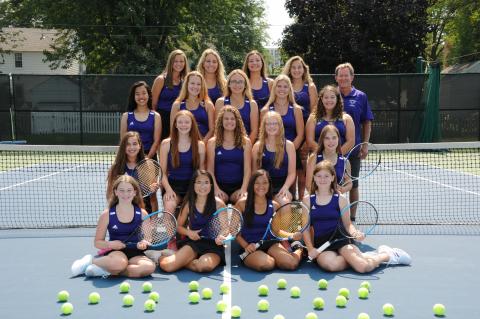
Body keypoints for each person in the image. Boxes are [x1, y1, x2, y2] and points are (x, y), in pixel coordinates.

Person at [302, 161, 411, 273]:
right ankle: (359, 257)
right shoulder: (307, 200)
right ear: (314, 178)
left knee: (363, 267)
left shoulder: (341, 199)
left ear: (332, 177)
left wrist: (355, 234)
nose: (322, 179)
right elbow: (305, 228)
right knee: (331, 266)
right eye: (319, 176)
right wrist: (310, 248)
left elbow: (348, 224)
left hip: (342, 240)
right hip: (322, 244)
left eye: (326, 176)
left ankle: (387, 255)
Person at [71, 175, 156, 278]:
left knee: (149, 267)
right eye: (121, 190)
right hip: (116, 252)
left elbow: (148, 239)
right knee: (119, 263)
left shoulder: (143, 214)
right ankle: (90, 261)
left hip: (136, 253)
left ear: (135, 192)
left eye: (129, 190)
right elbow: (97, 243)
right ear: (116, 192)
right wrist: (111, 244)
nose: (125, 194)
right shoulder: (106, 215)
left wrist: (144, 243)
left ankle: (108, 270)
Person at [158, 170, 226, 273]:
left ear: (211, 185)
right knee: (168, 266)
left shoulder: (219, 204)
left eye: (206, 182)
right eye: (198, 182)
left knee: (204, 267)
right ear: (193, 185)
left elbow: (226, 228)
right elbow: (178, 227)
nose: (202, 186)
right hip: (194, 243)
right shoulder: (188, 204)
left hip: (213, 246)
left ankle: (180, 259)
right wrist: (189, 233)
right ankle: (159, 257)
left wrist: (221, 236)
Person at [235, 169, 303, 271]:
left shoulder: (275, 206)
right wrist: (246, 245)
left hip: (271, 244)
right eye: (257, 183)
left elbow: (277, 231)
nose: (261, 186)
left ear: (269, 185)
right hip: (250, 247)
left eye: (265, 182)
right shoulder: (241, 204)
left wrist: (291, 236)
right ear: (251, 185)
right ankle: (272, 258)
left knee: (291, 264)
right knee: (267, 264)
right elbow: (236, 232)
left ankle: (299, 248)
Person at [335, 63, 374, 220]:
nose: (343, 78)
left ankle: (351, 218)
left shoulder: (360, 96)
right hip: (332, 150)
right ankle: (334, 217)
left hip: (354, 150)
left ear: (352, 77)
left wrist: (364, 144)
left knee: (353, 185)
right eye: (341, 75)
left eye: (346, 75)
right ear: (336, 77)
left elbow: (367, 122)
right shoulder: (330, 95)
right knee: (331, 184)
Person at [261, 74, 304, 199]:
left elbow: (300, 134)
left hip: (290, 152)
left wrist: (286, 150)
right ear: (274, 88)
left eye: (285, 86)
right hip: (269, 152)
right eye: (279, 86)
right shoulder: (265, 110)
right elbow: (262, 134)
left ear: (290, 89)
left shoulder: (296, 109)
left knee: (289, 190)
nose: (282, 89)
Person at [282, 56, 318, 199]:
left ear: (304, 69)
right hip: (289, 132)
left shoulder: (310, 86)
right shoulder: (285, 85)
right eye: (293, 67)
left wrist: (305, 138)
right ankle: (291, 200)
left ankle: (302, 200)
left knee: (303, 171)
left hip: (305, 134)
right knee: (290, 170)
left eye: (299, 67)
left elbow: (315, 112)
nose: (296, 70)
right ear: (289, 69)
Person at [159, 110, 205, 214]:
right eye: (180, 122)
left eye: (187, 122)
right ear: (175, 124)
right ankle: (168, 230)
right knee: (169, 208)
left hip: (193, 187)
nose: (183, 125)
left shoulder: (200, 145)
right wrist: (168, 190)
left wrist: (199, 190)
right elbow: (162, 173)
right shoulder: (166, 144)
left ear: (192, 124)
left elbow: (201, 172)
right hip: (173, 187)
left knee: (195, 210)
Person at [207, 106, 251, 204]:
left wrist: (243, 189)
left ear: (237, 121)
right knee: (217, 203)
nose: (229, 121)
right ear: (221, 122)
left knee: (245, 201)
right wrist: (216, 189)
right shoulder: (212, 143)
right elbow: (210, 170)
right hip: (219, 187)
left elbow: (248, 169)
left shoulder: (246, 142)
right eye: (226, 119)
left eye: (232, 119)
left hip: (238, 187)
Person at [106, 132, 160, 212]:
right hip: (122, 210)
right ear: (123, 147)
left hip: (144, 210)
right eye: (128, 144)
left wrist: (154, 219)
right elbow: (110, 194)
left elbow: (153, 198)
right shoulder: (116, 167)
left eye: (135, 144)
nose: (132, 147)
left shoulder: (148, 164)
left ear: (139, 145)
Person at [252, 111, 296, 205]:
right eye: (268, 124)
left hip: (282, 186)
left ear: (280, 126)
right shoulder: (258, 146)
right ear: (264, 126)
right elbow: (254, 173)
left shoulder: (289, 145)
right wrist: (260, 189)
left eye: (274, 123)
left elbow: (292, 173)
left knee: (284, 203)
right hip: (262, 186)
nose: (271, 126)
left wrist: (285, 187)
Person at [305, 84, 354, 156]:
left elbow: (351, 141)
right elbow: (310, 141)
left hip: (340, 159)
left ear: (337, 99)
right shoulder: (313, 118)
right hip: (318, 161)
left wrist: (336, 155)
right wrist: (325, 155)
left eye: (332, 97)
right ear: (321, 99)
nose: (329, 100)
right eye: (326, 97)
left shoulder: (347, 119)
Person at [152, 49, 189, 140]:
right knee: (163, 148)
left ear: (185, 63)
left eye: (181, 61)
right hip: (162, 119)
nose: (178, 64)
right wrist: (156, 123)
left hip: (180, 121)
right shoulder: (161, 80)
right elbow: (153, 104)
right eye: (175, 61)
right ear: (170, 62)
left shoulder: (186, 82)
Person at [170, 71, 215, 145]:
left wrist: (201, 144)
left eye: (198, 84)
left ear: (202, 86)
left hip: (204, 145)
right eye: (192, 83)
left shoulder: (208, 105)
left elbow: (212, 130)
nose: (195, 86)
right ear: (187, 84)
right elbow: (173, 129)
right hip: (182, 145)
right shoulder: (177, 105)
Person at [120, 81, 161, 160]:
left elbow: (156, 141)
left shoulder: (156, 116)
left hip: (150, 159)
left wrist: (147, 158)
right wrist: (132, 157)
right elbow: (123, 140)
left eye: (144, 93)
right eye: (137, 94)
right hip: (130, 158)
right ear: (133, 96)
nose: (141, 96)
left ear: (148, 95)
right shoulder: (126, 116)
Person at [305, 125, 352, 195]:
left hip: (336, 201)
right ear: (322, 140)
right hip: (317, 200)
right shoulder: (314, 158)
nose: (331, 141)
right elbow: (308, 186)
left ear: (338, 139)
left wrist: (343, 189)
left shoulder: (345, 162)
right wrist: (323, 195)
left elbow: (349, 183)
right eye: (327, 138)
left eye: (334, 138)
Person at [215, 69, 259, 142]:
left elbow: (254, 131)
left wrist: (246, 146)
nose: (237, 84)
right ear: (229, 84)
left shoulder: (252, 104)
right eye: (234, 81)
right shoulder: (220, 102)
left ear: (245, 85)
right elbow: (217, 128)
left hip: (246, 145)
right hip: (225, 145)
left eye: (240, 82)